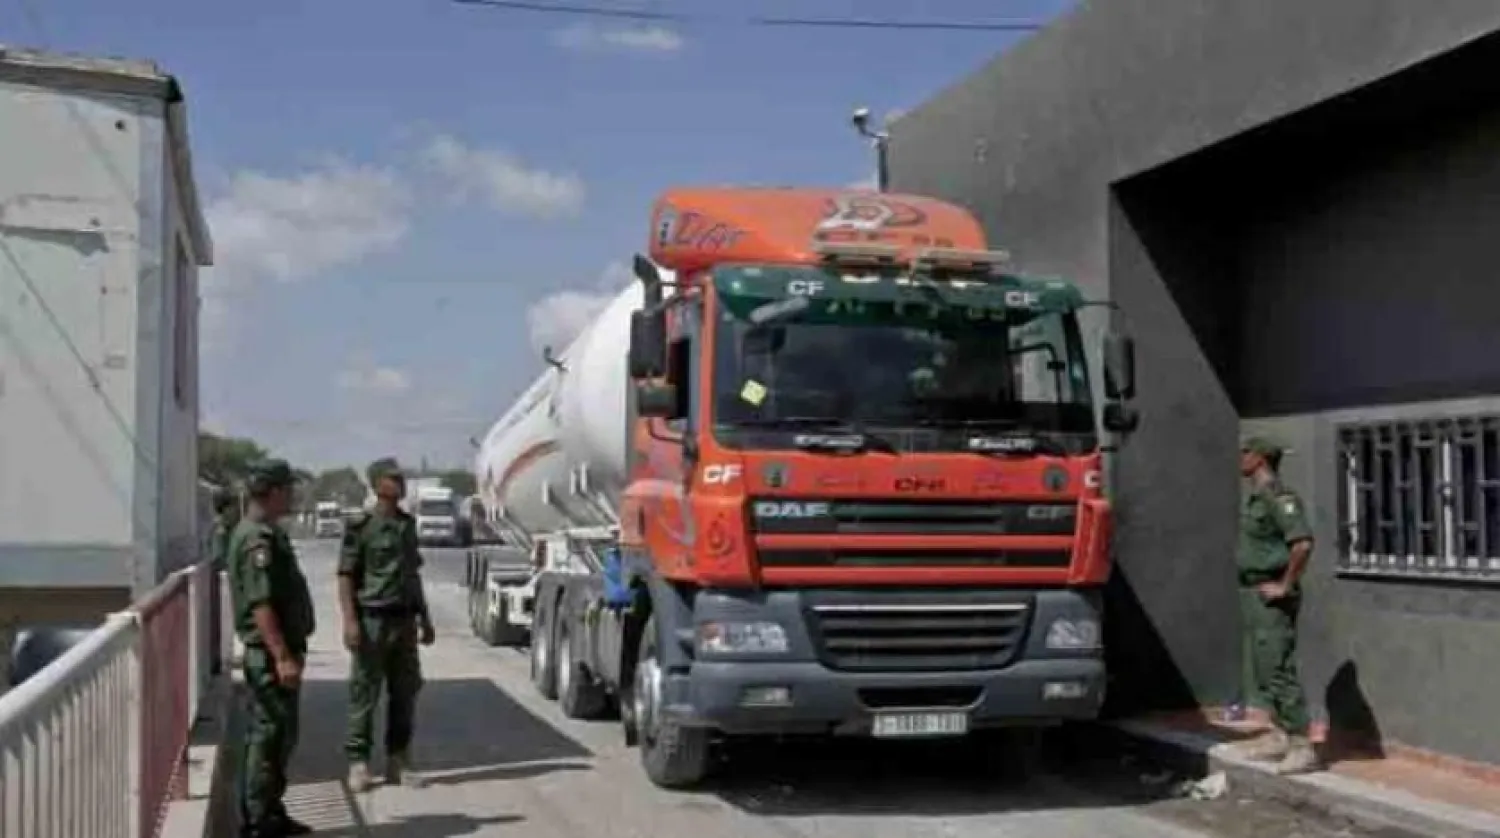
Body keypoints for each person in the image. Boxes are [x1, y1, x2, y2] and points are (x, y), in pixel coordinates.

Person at [227, 459, 316, 837]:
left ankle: (271, 812)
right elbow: (261, 604)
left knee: (279, 736)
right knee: (267, 737)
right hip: (269, 656)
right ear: (275, 491)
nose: (293, 496)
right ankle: (258, 822)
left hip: (278, 652)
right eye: (289, 489)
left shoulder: (266, 532)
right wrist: (281, 656)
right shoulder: (256, 539)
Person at [339, 461, 435, 792]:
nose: (400, 483)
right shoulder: (362, 527)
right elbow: (346, 576)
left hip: (404, 620)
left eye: (401, 478)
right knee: (364, 693)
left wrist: (425, 617)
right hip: (372, 620)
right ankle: (358, 763)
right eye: (393, 478)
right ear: (377, 485)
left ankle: (399, 761)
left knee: (405, 691)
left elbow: (412, 575)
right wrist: (350, 621)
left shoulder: (407, 526)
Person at [1234, 436, 1319, 775]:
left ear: (1260, 458)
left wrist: (1285, 585)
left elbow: (1302, 543)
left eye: (1245, 452)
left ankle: (1302, 745)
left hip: (1272, 595)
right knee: (1262, 668)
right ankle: (1280, 734)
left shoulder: (1278, 496)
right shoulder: (1256, 496)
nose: (1240, 458)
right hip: (1253, 591)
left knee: (1277, 666)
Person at [210, 486, 240, 571]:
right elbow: (218, 559)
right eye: (234, 506)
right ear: (226, 509)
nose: (237, 509)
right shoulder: (221, 529)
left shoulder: (228, 526)